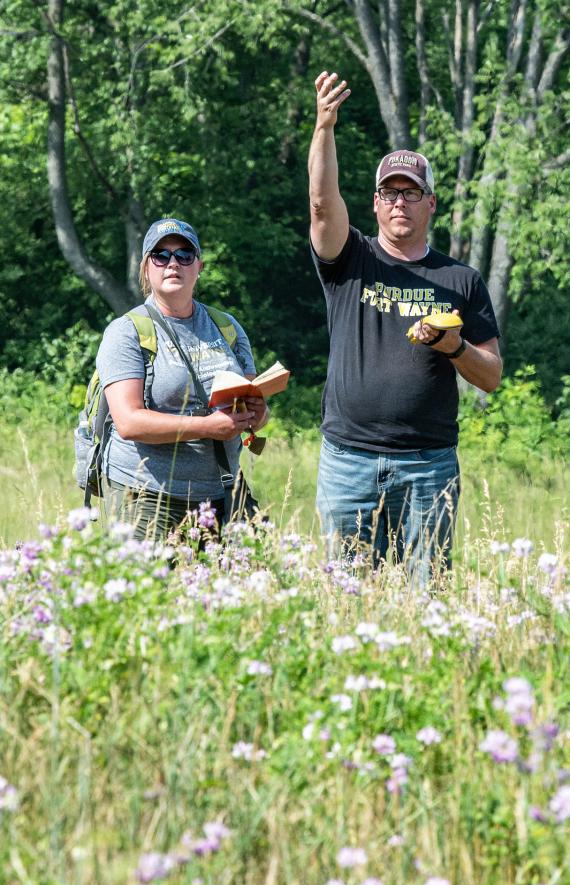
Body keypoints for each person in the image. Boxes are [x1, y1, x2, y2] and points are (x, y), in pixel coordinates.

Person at [308, 71, 502, 583]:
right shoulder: (350, 259)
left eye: (411, 193)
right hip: (348, 461)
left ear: (430, 203)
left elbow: (490, 375)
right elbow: (323, 205)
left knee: (426, 598)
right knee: (343, 601)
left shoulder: (460, 279)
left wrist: (456, 346)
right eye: (389, 192)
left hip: (428, 466)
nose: (399, 202)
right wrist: (324, 127)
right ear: (373, 203)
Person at [96, 217, 269, 541]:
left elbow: (250, 400)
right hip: (147, 496)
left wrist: (257, 416)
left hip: (223, 491)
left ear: (198, 266)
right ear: (146, 268)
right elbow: (129, 422)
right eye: (160, 255)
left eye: (184, 255)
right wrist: (208, 427)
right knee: (150, 592)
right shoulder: (127, 332)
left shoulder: (226, 327)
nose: (172, 263)